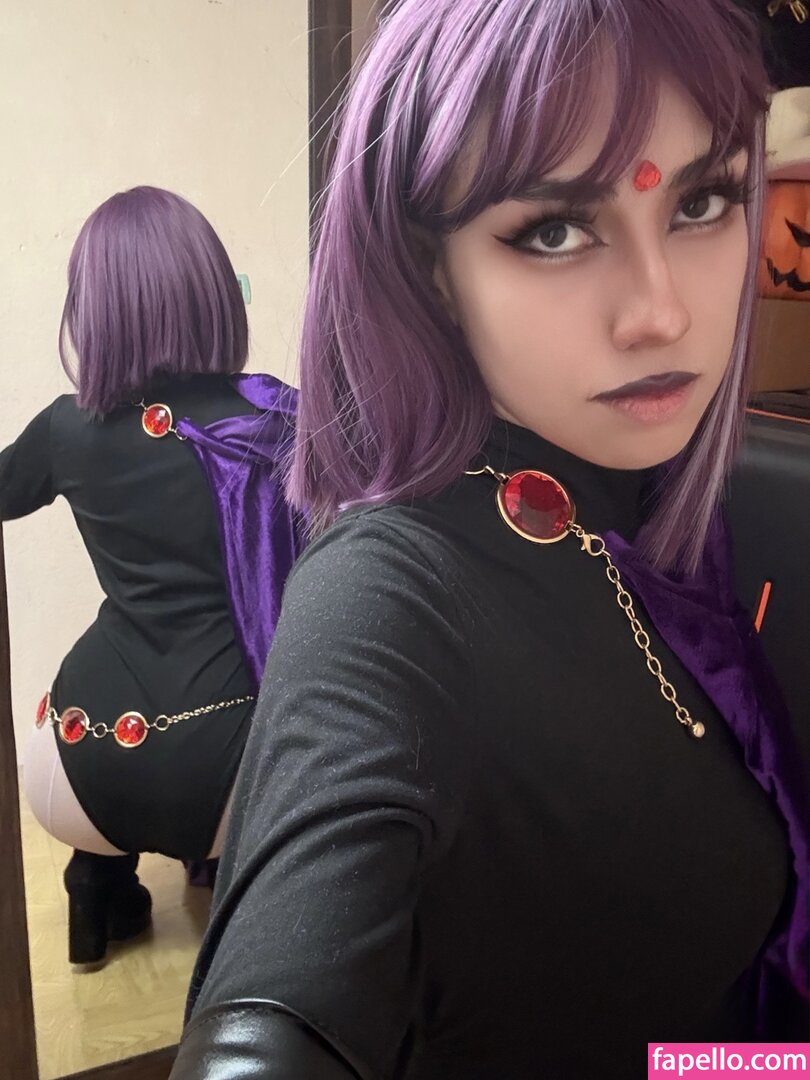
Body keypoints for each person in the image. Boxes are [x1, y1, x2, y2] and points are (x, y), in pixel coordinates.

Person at [171, 1, 809, 1075]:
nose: (660, 312)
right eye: (555, 230)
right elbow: (275, 1013)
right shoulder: (389, 593)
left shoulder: (655, 502)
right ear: (431, 267)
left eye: (702, 202)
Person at [0, 186, 300, 966]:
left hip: (75, 759)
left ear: (92, 309)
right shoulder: (273, 418)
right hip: (236, 769)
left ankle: (97, 884)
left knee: (102, 818)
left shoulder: (66, 428)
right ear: (212, 291)